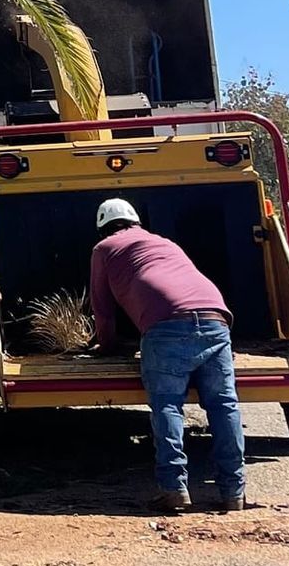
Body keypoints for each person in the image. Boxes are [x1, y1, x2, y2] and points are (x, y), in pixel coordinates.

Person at [90, 198, 246, 515]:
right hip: (215, 318)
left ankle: (174, 489)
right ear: (135, 220)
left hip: (165, 326)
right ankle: (234, 492)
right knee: (223, 404)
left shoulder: (104, 248)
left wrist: (105, 345)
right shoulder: (164, 242)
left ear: (103, 226)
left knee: (167, 405)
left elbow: (102, 308)